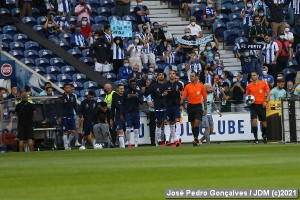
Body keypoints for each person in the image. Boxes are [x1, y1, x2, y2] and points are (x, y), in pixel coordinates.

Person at [181, 72, 207, 146]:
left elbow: (205, 97)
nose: (191, 77)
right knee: (193, 124)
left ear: (196, 77)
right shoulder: (187, 86)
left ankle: (195, 138)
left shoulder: (201, 86)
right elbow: (183, 96)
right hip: (190, 106)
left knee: (197, 122)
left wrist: (205, 108)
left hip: (198, 106)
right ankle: (195, 138)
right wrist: (181, 104)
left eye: (192, 76)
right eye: (190, 76)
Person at [246, 71, 270, 144]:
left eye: (254, 75)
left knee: (264, 123)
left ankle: (264, 135)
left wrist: (266, 101)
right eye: (252, 75)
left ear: (258, 76)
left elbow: (268, 93)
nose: (253, 76)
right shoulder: (249, 85)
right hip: (253, 105)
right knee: (254, 121)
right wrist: (248, 102)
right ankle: (256, 138)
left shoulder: (263, 83)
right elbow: (247, 96)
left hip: (261, 105)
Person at [144, 72, 168, 146]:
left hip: (166, 106)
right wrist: (161, 94)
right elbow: (146, 93)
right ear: (157, 77)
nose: (161, 76)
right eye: (159, 75)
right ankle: (158, 140)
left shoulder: (167, 85)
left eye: (162, 75)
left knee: (166, 122)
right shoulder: (154, 86)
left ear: (164, 77)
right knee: (158, 123)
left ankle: (166, 140)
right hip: (157, 107)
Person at [164, 70, 183, 147]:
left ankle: (177, 139)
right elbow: (163, 95)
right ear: (169, 75)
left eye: (173, 73)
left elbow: (182, 96)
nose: (172, 75)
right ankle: (168, 140)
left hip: (176, 106)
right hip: (168, 106)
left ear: (175, 75)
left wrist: (181, 104)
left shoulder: (179, 85)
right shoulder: (165, 85)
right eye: (170, 73)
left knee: (177, 121)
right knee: (168, 122)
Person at [123, 80, 144, 147]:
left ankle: (136, 143)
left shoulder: (139, 92)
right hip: (128, 112)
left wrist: (135, 96)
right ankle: (129, 143)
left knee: (136, 129)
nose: (134, 85)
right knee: (128, 129)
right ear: (130, 84)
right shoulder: (126, 92)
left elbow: (141, 102)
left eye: (135, 84)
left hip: (136, 112)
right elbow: (123, 102)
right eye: (132, 84)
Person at [62, 83, 78, 150]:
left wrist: (78, 114)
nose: (68, 88)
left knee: (73, 131)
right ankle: (65, 145)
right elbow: (60, 108)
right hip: (64, 116)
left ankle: (68, 142)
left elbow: (75, 106)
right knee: (65, 131)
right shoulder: (62, 97)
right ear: (64, 88)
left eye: (69, 87)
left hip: (71, 116)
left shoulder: (73, 96)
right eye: (67, 87)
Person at [110, 84, 126, 148]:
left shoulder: (126, 97)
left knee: (124, 132)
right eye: (120, 88)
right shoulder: (115, 98)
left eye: (123, 88)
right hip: (118, 116)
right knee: (120, 130)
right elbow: (112, 109)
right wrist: (111, 119)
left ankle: (117, 143)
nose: (122, 90)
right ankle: (122, 146)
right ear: (117, 89)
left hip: (126, 116)